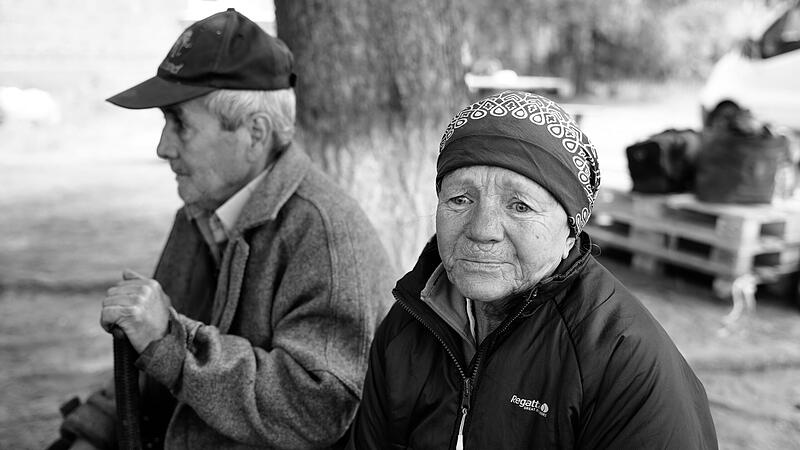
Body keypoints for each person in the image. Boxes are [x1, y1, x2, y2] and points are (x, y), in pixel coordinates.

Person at [55, 9, 393, 449]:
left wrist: (172, 342)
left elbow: (318, 409)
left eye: (179, 124)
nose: (162, 147)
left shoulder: (325, 234)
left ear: (254, 133)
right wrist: (90, 434)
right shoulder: (199, 214)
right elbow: (153, 371)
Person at [348, 91, 718, 449]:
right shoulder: (409, 324)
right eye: (460, 199)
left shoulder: (622, 361)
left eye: (520, 206)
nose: (482, 230)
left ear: (571, 232)